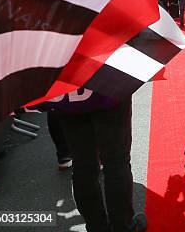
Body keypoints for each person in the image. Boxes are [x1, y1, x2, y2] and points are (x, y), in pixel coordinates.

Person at [54, 88, 147, 232]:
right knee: (116, 161)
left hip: (67, 93)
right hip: (108, 86)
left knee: (83, 165)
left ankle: (96, 227)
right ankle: (123, 226)